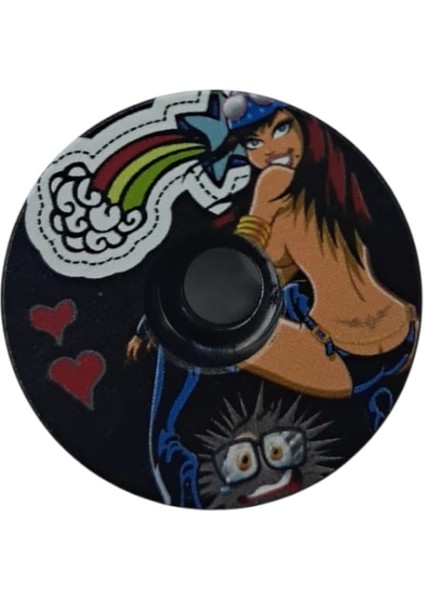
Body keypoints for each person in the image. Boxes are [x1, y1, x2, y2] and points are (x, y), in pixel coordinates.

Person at [221, 93, 418, 398]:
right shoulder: (338, 190)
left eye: (281, 129)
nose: (269, 150)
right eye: (253, 143)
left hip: (338, 354)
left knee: (208, 341)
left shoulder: (273, 180)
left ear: (307, 129)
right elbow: (273, 278)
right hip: (404, 330)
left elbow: (241, 263)